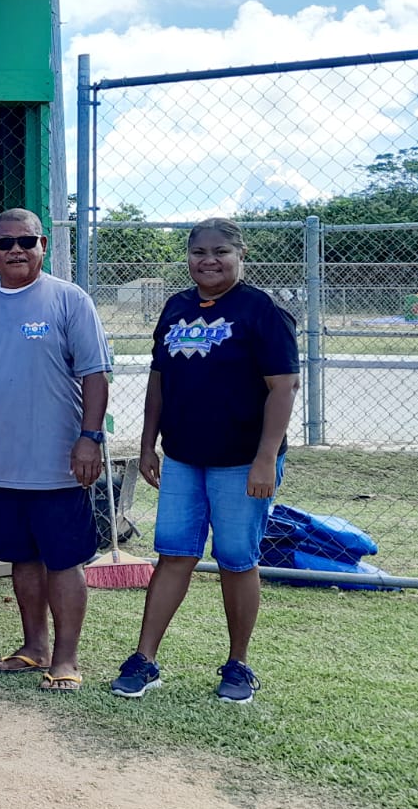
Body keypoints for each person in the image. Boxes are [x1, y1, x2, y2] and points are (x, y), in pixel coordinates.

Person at [110, 217, 299, 704]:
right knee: (173, 555)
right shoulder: (177, 307)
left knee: (237, 559)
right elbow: (159, 380)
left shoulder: (262, 311)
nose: (209, 261)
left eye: (221, 252)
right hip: (185, 459)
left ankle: (238, 665)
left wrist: (264, 460)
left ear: (241, 256)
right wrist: (148, 443)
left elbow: (283, 387)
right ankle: (145, 659)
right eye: (199, 252)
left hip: (241, 461)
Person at [0, 208, 112, 693]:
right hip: (1, 465)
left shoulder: (69, 300)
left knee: (63, 559)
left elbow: (95, 376)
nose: (16, 250)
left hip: (60, 465)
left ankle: (65, 659)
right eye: (4, 243)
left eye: (27, 241)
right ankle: (33, 647)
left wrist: (91, 438)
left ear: (44, 246)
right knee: (22, 557)